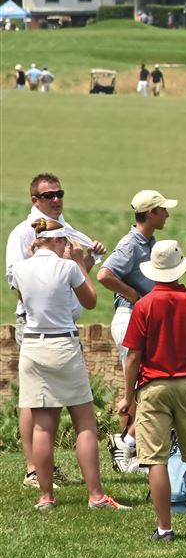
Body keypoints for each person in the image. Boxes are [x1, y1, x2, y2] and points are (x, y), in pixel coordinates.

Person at [11, 218, 128, 512]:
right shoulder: (66, 267)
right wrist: (78, 262)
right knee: (84, 421)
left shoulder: (20, 269)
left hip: (33, 346)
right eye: (64, 241)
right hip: (62, 343)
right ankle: (96, 495)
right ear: (57, 240)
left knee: (42, 424)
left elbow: (24, 298)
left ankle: (46, 496)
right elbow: (89, 300)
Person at [117, 240, 186, 540]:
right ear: (179, 270)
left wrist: (129, 397)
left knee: (156, 459)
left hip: (153, 387)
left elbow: (133, 357)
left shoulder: (144, 305)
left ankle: (165, 528)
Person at [7, 173, 105, 489]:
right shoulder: (23, 233)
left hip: (58, 323)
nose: (56, 199)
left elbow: (69, 279)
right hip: (39, 324)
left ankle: (44, 481)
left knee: (43, 409)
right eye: (48, 195)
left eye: (59, 193)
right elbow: (21, 283)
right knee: (37, 404)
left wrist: (86, 260)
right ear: (34, 200)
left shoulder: (64, 229)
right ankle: (34, 469)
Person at [98, 188, 178, 471]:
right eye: (163, 210)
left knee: (139, 381)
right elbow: (104, 274)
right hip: (130, 316)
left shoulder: (147, 240)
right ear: (152, 213)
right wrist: (133, 294)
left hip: (138, 317)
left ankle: (131, 449)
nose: (167, 213)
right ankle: (125, 449)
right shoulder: (132, 244)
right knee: (136, 381)